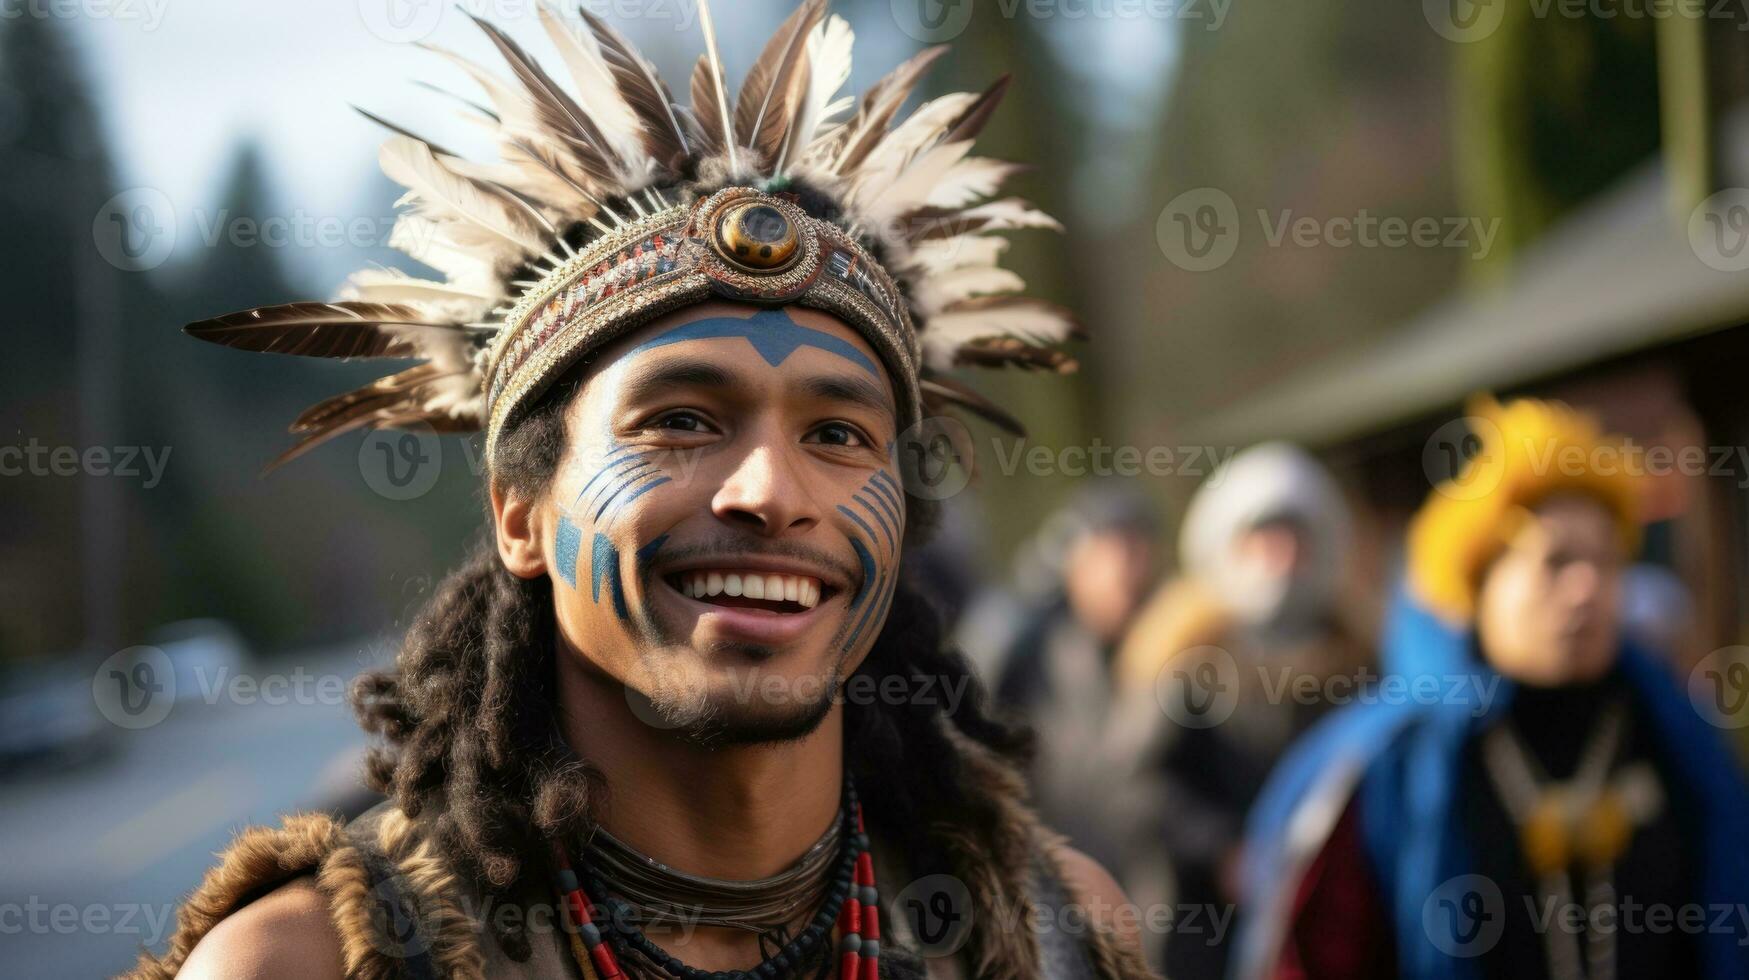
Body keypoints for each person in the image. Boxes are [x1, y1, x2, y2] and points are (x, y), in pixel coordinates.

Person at [128, 3, 1152, 977]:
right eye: (681, 421)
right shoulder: (313, 960)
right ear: (518, 514)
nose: (771, 490)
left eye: (838, 434)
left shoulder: (1046, 932)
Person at [1234, 396, 1749, 980]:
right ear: (1479, 584)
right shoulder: (1384, 764)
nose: (1586, 587)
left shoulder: (1678, 732)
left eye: (1605, 561)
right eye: (1556, 562)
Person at [1100, 444, 1368, 978]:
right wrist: (1223, 851)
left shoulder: (1359, 662)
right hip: (1207, 936)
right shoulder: (1187, 664)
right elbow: (1136, 789)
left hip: (1332, 924)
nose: (1281, 558)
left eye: (1294, 540)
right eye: (1263, 541)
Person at [972, 484, 1161, 867]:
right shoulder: (1029, 654)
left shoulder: (1175, 649)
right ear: (1075, 560)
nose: (1124, 571)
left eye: (1135, 551)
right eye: (1110, 551)